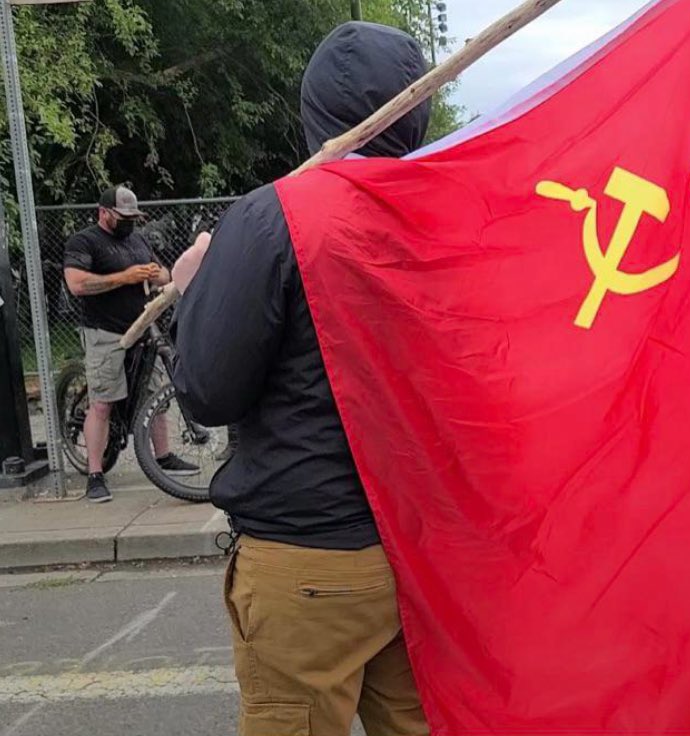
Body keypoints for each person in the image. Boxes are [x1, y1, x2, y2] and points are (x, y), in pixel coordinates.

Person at [171, 23, 431, 736]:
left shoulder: (272, 219)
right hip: (429, 552)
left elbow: (208, 390)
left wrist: (194, 291)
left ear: (311, 111)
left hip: (309, 551)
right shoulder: (450, 215)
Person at [62, 185, 198, 503]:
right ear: (104, 213)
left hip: (142, 327)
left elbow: (164, 273)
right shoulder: (85, 241)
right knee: (102, 402)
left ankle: (162, 456)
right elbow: (77, 284)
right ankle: (95, 474)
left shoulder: (137, 240)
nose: (128, 222)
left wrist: (157, 273)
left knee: (155, 396)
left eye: (133, 217)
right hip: (105, 332)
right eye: (123, 217)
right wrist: (124, 277)